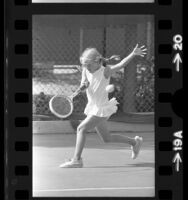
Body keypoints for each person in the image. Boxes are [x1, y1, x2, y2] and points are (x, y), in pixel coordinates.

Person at [60, 44, 147, 168]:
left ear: (97, 62)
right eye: (84, 65)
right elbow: (84, 84)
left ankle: (77, 160)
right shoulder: (85, 70)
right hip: (92, 107)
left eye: (89, 65)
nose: (86, 67)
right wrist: (82, 86)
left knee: (81, 129)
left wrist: (133, 54)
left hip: (101, 108)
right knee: (107, 138)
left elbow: (121, 64)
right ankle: (134, 142)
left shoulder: (106, 71)